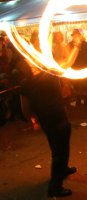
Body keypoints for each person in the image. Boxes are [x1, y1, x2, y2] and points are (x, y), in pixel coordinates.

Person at [17, 30, 82, 197]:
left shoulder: (45, 61)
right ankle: (55, 187)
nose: (49, 44)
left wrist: (76, 46)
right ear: (34, 44)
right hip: (48, 114)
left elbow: (64, 65)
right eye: (44, 41)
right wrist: (32, 118)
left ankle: (63, 169)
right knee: (59, 149)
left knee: (59, 144)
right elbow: (24, 98)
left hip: (56, 110)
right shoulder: (28, 66)